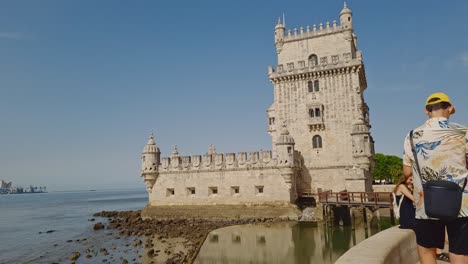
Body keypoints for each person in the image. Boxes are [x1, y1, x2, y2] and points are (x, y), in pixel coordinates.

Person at [403, 92, 468, 264]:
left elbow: (407, 173)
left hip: (426, 205)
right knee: (460, 252)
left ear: (426, 111)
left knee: (427, 251)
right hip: (461, 204)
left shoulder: (412, 136)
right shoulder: (464, 132)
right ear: (450, 109)